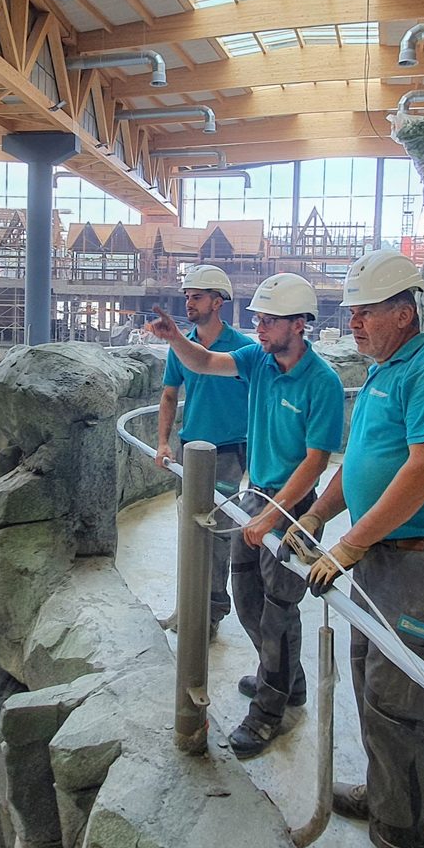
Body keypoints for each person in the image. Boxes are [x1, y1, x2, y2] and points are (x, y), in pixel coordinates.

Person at [290, 249, 424, 848]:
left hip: (414, 566)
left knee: (399, 707)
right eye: (350, 311)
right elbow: (363, 466)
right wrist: (317, 516)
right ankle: (384, 797)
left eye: (363, 312)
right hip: (379, 559)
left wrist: (348, 546)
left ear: (404, 313)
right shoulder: (382, 375)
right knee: (376, 686)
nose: (353, 322)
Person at [149, 272, 345, 758]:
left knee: (279, 610)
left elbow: (315, 460)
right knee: (246, 596)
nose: (259, 325)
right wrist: (176, 341)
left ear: (299, 324)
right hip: (255, 495)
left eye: (270, 319)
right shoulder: (257, 359)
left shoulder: (322, 383)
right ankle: (286, 680)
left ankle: (268, 712)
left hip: (293, 504)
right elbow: (208, 362)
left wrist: (275, 515)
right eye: (258, 317)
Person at [155, 265, 250, 640]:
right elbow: (168, 394)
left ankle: (209, 614)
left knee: (218, 533)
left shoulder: (243, 349)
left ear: (218, 301)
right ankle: (187, 608)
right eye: (187, 297)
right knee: (190, 532)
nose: (189, 303)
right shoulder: (182, 345)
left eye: (196, 296)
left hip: (228, 450)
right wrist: (164, 442)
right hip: (191, 448)